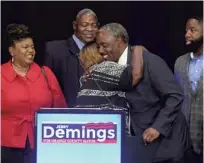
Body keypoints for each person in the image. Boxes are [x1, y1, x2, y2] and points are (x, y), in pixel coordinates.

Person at [95, 23, 191, 163]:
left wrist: (158, 127)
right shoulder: (109, 67)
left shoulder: (149, 61)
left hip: (166, 142)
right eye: (98, 46)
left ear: (119, 41)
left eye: (104, 45)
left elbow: (175, 95)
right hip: (138, 142)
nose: (100, 50)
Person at [1, 23, 67, 163]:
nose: (31, 51)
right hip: (5, 146)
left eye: (32, 47)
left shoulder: (45, 73)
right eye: (25, 47)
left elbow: (61, 109)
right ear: (12, 51)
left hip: (42, 142)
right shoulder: (1, 75)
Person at [75, 41, 144, 135]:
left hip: (89, 133)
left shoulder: (85, 78)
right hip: (111, 133)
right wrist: (138, 50)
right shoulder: (105, 68)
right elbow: (136, 75)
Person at [44, 8, 99, 107]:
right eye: (85, 25)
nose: (90, 29)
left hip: (94, 114)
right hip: (64, 113)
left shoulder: (102, 51)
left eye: (94, 25)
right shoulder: (54, 50)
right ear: (75, 25)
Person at [174, 16, 203, 163]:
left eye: (192, 30)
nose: (187, 34)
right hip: (185, 139)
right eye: (186, 30)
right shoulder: (179, 62)